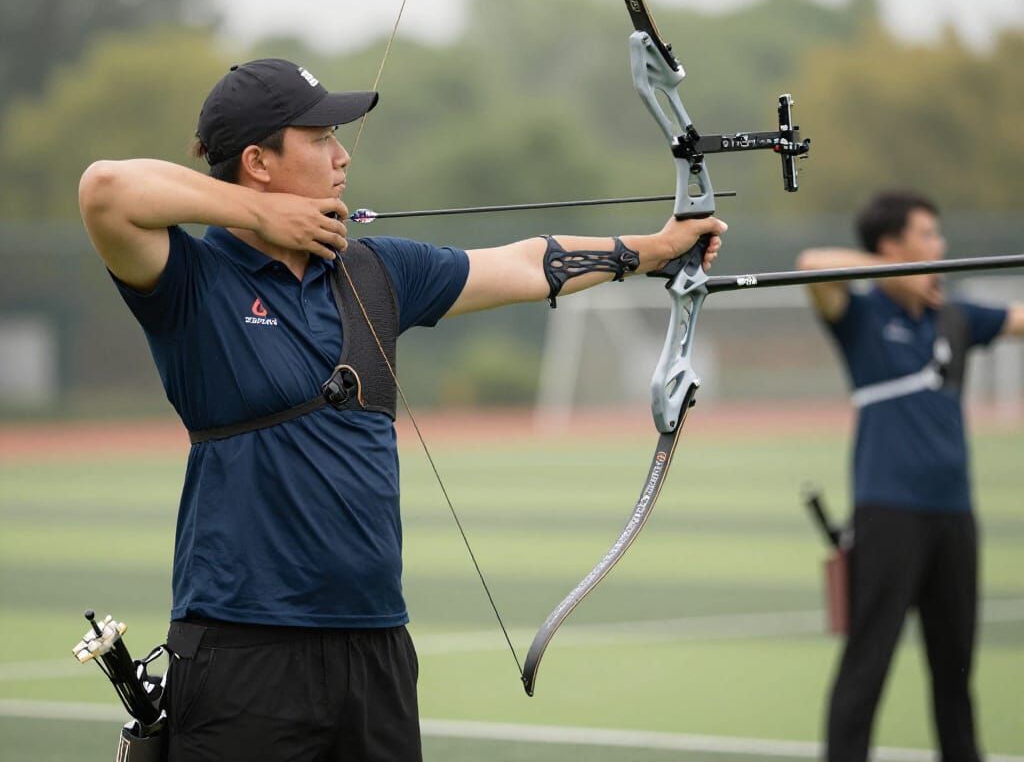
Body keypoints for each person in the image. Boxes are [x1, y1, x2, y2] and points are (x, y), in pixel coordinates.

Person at [78, 57, 726, 762]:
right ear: (258, 162)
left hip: (376, 647)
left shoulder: (373, 273)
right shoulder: (192, 283)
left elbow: (521, 264)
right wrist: (261, 216)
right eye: (321, 135)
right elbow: (105, 189)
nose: (341, 153)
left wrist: (656, 249)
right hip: (245, 647)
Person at [796, 190, 1024, 762]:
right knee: (867, 662)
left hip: (955, 514)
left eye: (937, 238)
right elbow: (810, 265)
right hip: (888, 511)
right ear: (891, 246)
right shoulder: (861, 314)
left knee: (956, 670)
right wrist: (903, 275)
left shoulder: (957, 315)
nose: (939, 248)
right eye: (926, 237)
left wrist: (926, 275)